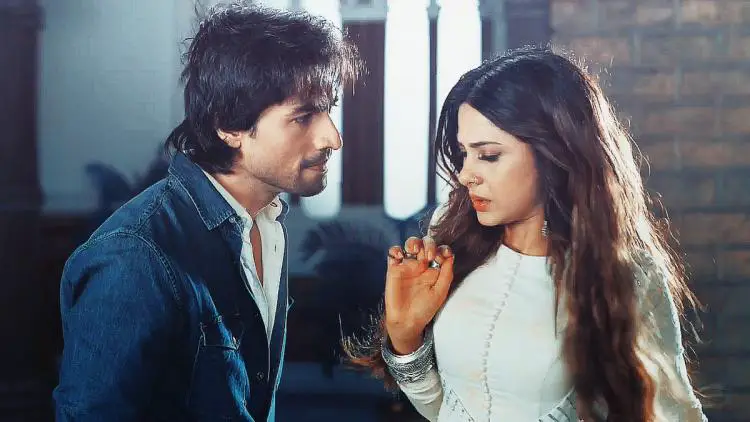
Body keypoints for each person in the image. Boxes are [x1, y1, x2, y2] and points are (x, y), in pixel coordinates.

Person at [344, 47, 707, 422]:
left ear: (553, 152)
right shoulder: (450, 235)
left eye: (488, 155)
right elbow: (444, 409)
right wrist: (405, 336)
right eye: (463, 153)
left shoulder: (626, 274)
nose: (466, 174)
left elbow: (673, 413)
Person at [53, 3, 361, 421]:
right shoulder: (135, 256)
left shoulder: (267, 223)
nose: (332, 138)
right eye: (303, 117)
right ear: (229, 126)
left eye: (328, 109)